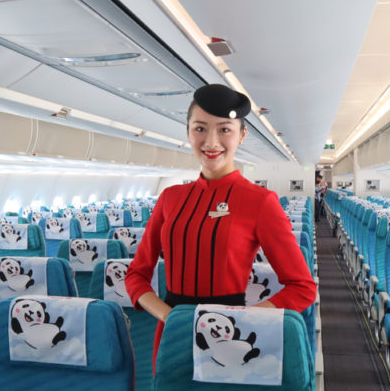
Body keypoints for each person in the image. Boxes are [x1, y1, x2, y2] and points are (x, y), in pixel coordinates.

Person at [125, 83, 318, 364]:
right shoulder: (170, 198)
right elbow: (135, 276)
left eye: (224, 129)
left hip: (231, 339)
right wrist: (170, 317)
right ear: (188, 132)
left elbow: (303, 288)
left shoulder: (260, 201)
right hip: (173, 337)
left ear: (242, 135)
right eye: (200, 128)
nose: (211, 142)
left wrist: (242, 319)